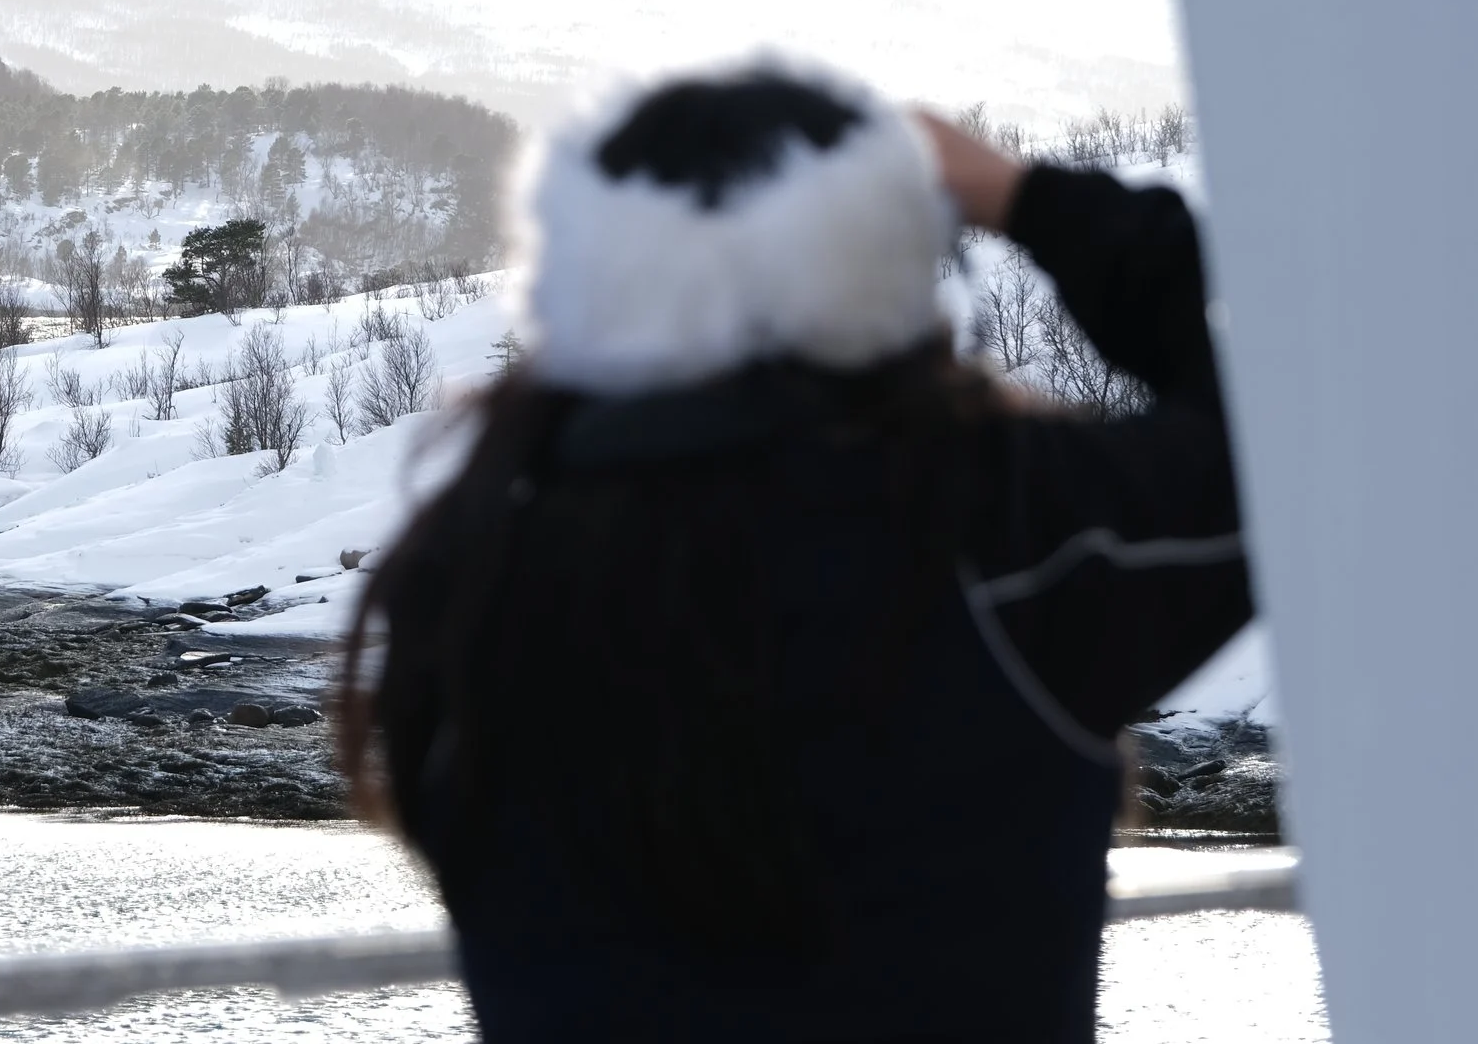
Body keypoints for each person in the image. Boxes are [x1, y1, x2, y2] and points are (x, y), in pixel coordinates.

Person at [340, 70, 1251, 1042]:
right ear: (876, 278)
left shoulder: (469, 579)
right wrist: (1022, 197)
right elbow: (1290, 440)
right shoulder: (1000, 532)